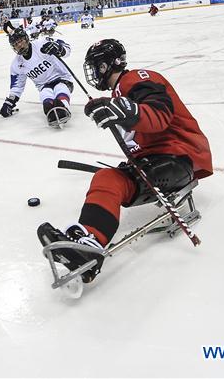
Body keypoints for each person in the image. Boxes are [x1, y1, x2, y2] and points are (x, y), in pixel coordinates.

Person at [37, 39, 213, 282]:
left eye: (94, 66)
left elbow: (159, 115)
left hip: (178, 157)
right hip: (156, 162)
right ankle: (88, 244)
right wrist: (114, 108)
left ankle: (89, 243)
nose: (91, 72)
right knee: (107, 178)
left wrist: (123, 110)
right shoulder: (118, 93)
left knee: (111, 177)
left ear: (104, 66)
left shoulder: (137, 79)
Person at [0, 22, 74, 128]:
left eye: (20, 41)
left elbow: (67, 48)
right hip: (43, 86)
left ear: (26, 38)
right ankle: (51, 112)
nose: (19, 45)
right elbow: (17, 87)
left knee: (60, 88)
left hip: (62, 79)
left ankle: (63, 109)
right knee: (45, 95)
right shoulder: (17, 64)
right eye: (16, 44)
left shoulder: (42, 43)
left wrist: (59, 48)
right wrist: (9, 102)